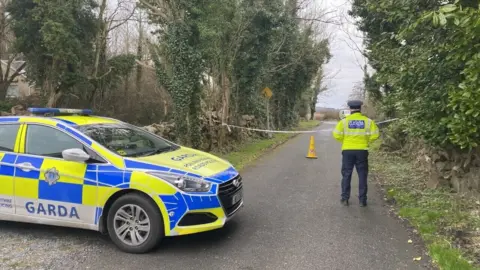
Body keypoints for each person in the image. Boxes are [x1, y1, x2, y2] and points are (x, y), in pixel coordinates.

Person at [332, 100, 379, 207]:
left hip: (347, 150)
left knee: (346, 174)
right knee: (362, 175)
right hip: (362, 151)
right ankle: (362, 200)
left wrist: (345, 141)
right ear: (360, 108)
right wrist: (367, 141)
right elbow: (375, 134)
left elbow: (336, 134)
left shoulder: (344, 122)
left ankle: (345, 199)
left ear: (350, 109)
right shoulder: (368, 121)